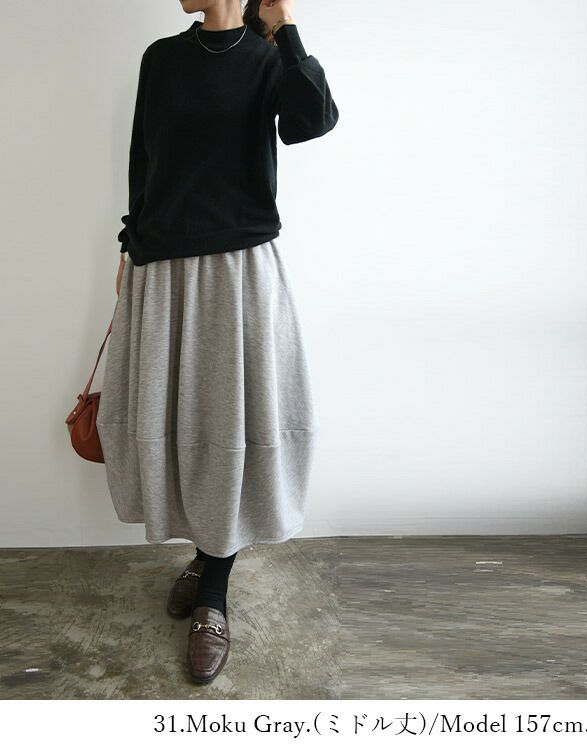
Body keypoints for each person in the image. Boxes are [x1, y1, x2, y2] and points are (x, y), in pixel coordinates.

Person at [96, 0, 339, 684]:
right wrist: (129, 241)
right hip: (161, 264)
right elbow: (144, 157)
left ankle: (213, 592)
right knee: (177, 423)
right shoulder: (161, 58)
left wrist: (286, 29)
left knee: (231, 424)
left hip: (237, 267)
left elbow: (313, 121)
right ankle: (205, 554)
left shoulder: (269, 60)